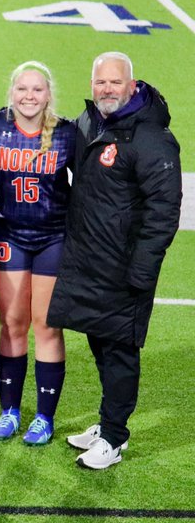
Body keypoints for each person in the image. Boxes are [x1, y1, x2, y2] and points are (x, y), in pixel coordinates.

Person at [48, 52, 181, 470]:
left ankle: (115, 438)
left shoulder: (151, 137)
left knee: (120, 351)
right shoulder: (91, 122)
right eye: (100, 82)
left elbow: (165, 209)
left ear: (131, 84)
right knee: (100, 342)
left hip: (124, 267)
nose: (107, 89)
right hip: (90, 259)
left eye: (114, 82)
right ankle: (107, 424)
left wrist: (143, 268)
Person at [0, 62, 74, 446]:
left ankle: (43, 418)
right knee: (12, 322)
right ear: (12, 92)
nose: (29, 96)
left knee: (47, 325)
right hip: (11, 236)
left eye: (37, 90)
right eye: (22, 89)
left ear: (48, 94)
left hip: (54, 236)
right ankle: (10, 412)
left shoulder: (68, 134)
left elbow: (92, 187)